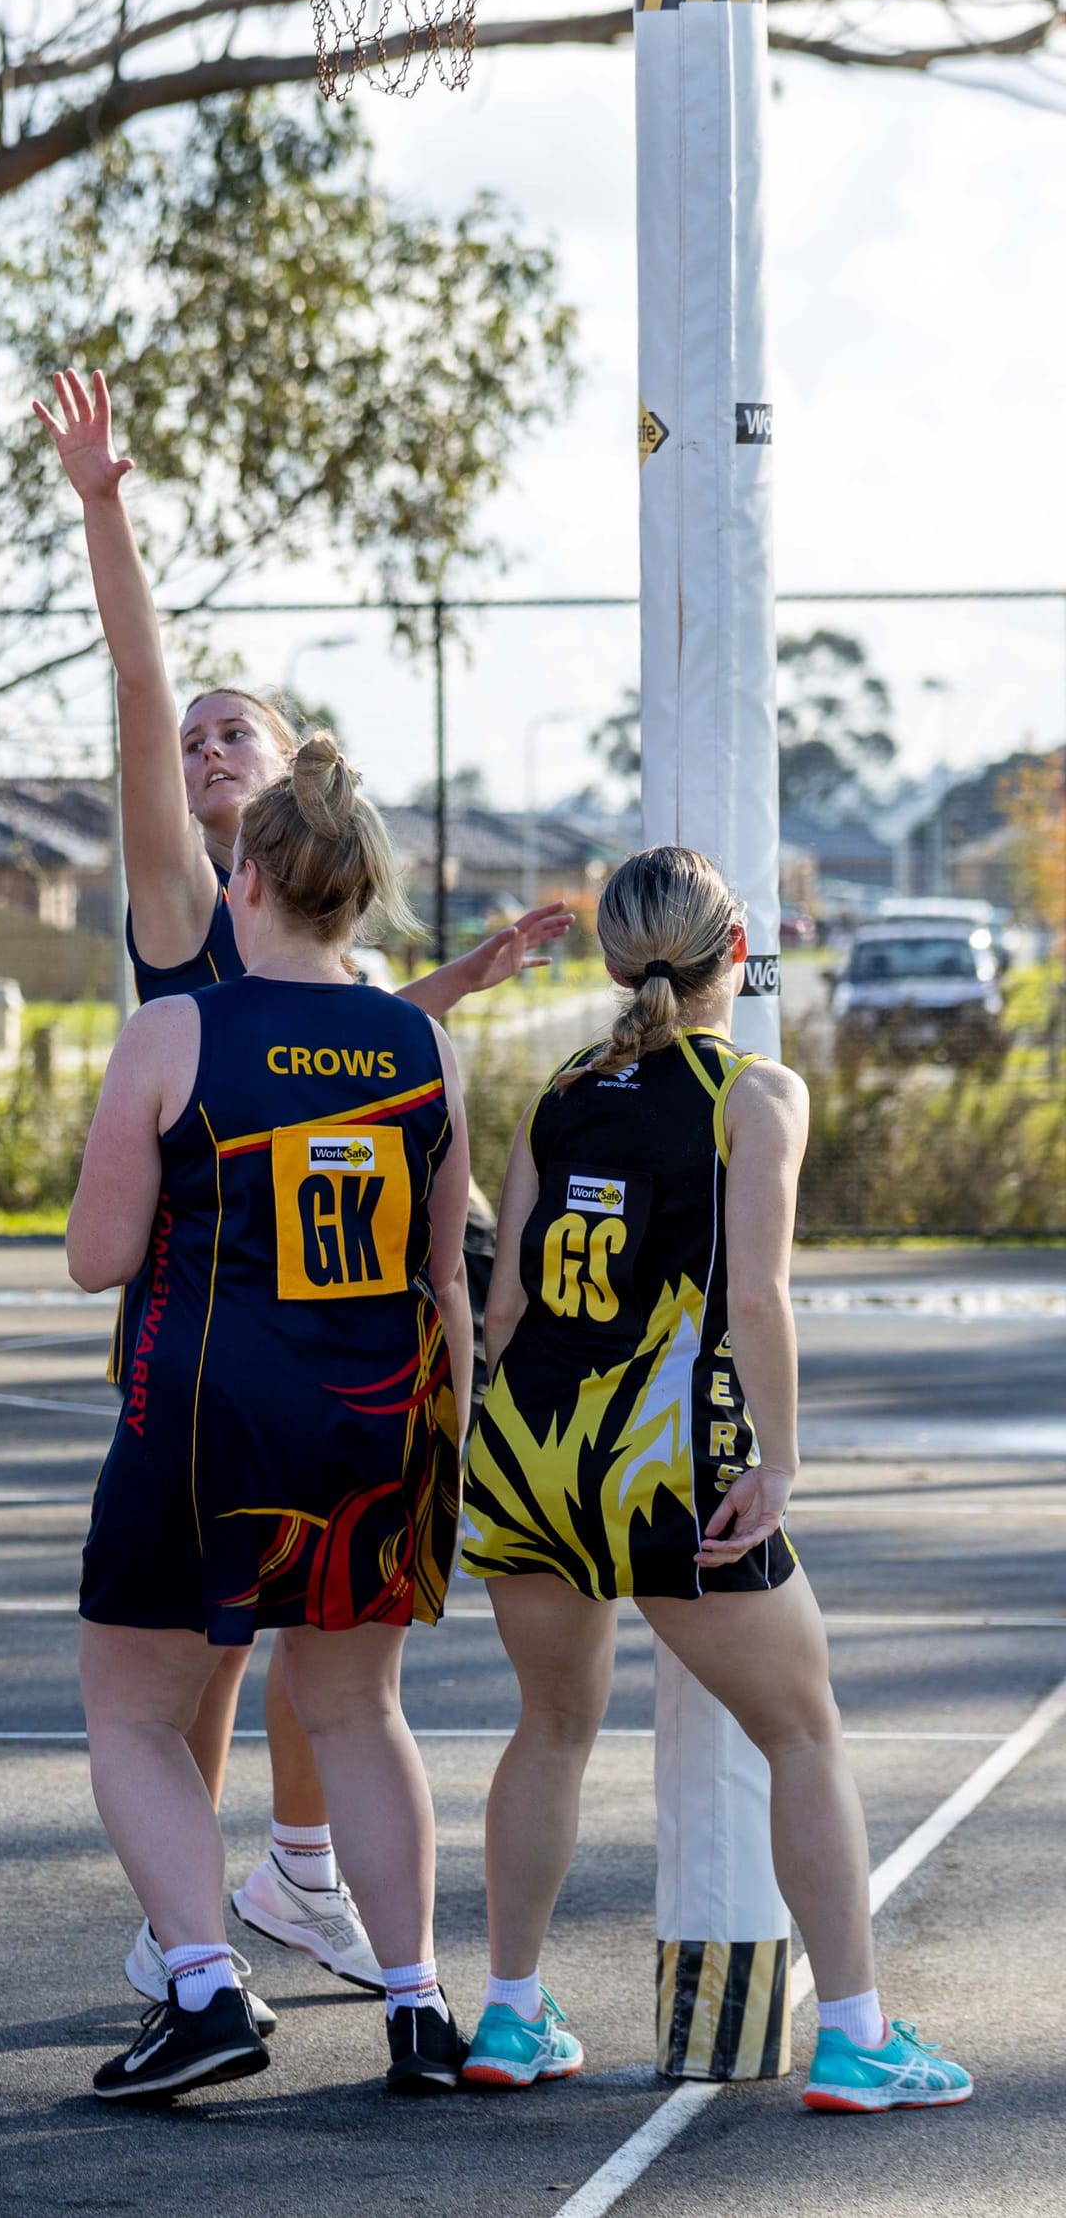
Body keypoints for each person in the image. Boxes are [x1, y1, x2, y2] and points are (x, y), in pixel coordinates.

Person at [36, 366, 570, 2014]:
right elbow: (138, 685)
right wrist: (106, 514)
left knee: (265, 1646)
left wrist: (465, 978)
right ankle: (230, 1915)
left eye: (235, 732)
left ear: (280, 801)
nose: (201, 744)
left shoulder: (335, 980)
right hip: (221, 1318)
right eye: (194, 737)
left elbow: (362, 1063)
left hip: (279, 1340)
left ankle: (257, 1903)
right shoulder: (179, 907)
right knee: (223, 1656)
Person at [459, 845, 973, 2114]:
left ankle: (509, 2012)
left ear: (609, 959)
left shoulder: (559, 1092)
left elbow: (502, 1305)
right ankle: (853, 2035)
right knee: (801, 1731)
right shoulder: (753, 1091)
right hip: (660, 1465)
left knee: (549, 1726)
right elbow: (754, 1299)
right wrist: (777, 1460)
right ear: (734, 953)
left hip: (525, 1454)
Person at [66, 737, 474, 2105]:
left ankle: (201, 1987)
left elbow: (95, 1256)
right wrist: (446, 1445)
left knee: (134, 1712)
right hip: (376, 1416)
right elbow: (443, 1277)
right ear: (356, 893)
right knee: (357, 1710)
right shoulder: (421, 1044)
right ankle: (416, 2005)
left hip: (207, 1414)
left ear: (245, 880)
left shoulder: (175, 1031)